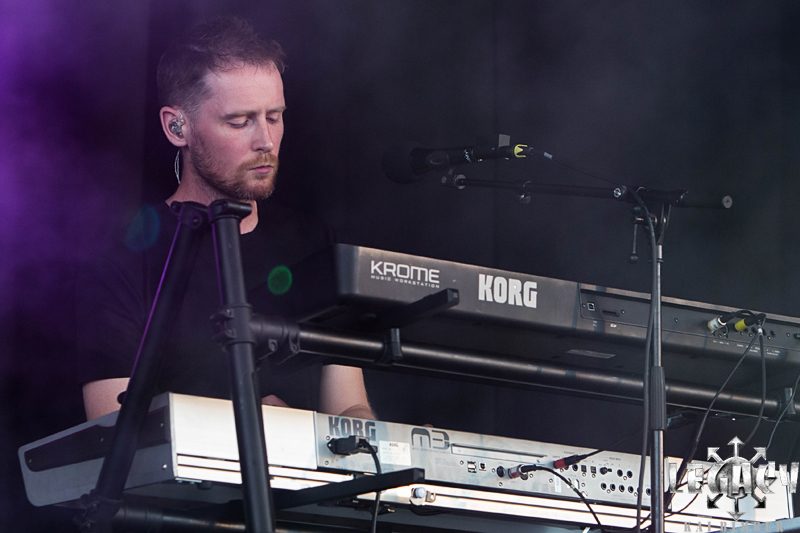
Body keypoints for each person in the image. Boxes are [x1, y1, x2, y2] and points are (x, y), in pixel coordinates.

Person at [77, 16, 373, 421]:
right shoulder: (123, 256)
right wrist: (256, 426)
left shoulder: (313, 243)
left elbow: (349, 406)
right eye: (240, 121)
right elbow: (111, 426)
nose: (265, 141)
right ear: (177, 127)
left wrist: (388, 446)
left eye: (274, 117)